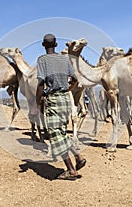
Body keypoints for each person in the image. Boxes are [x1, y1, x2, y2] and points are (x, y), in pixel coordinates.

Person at [36, 34, 86, 180]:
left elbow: (40, 83)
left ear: (43, 45)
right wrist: (69, 90)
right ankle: (77, 156)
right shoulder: (64, 59)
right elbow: (76, 79)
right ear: (56, 45)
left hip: (52, 99)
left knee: (55, 136)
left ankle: (71, 170)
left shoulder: (42, 60)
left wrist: (36, 102)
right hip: (65, 98)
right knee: (62, 133)